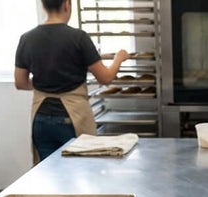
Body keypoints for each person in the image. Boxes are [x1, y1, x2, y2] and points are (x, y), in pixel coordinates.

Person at [14, 0, 129, 162]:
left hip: (40, 118)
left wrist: (46, 83)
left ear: (43, 5)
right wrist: (119, 58)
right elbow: (105, 78)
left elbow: (20, 82)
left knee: (47, 174)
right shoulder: (78, 38)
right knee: (81, 171)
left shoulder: (27, 38)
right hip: (72, 117)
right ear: (67, 4)